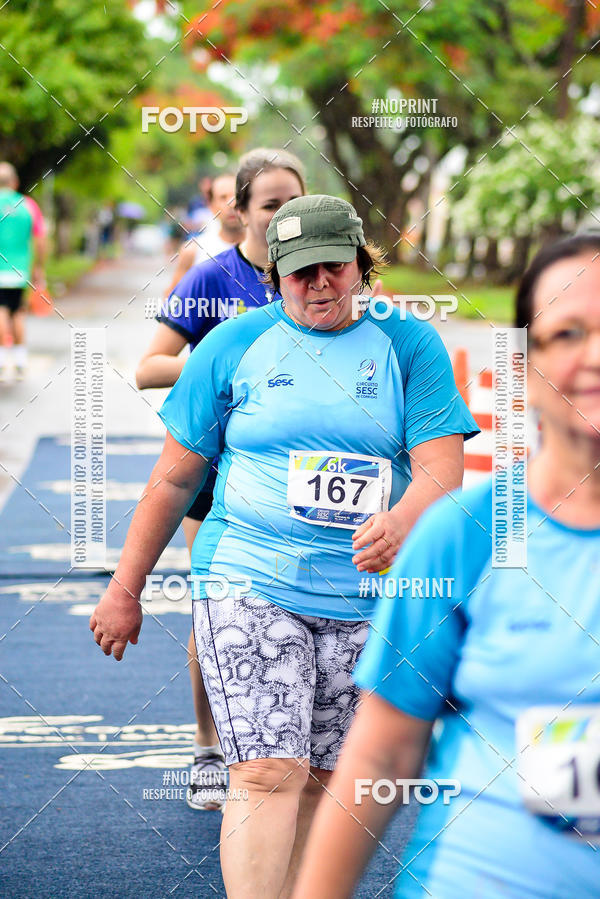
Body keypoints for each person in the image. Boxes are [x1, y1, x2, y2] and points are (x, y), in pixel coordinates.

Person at [91, 193, 479, 897]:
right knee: (269, 768)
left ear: (362, 266)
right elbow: (174, 480)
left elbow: (440, 469)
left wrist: (404, 516)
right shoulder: (233, 345)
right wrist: (125, 587)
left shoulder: (408, 344)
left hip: (363, 595)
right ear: (275, 277)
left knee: (328, 779)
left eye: (334, 267)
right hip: (248, 576)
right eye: (301, 273)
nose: (319, 284)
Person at [292, 232, 600, 899]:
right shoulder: (464, 534)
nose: (595, 355)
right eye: (569, 332)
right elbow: (381, 753)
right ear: (524, 367)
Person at [136, 148, 307, 811]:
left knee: (302, 607)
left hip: (300, 470)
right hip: (215, 469)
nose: (284, 215)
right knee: (218, 609)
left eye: (295, 201)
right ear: (238, 211)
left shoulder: (325, 276)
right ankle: (210, 747)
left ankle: (293, 745)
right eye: (270, 204)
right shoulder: (212, 278)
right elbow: (149, 367)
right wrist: (231, 361)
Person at [164, 172, 244, 298]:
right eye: (223, 197)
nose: (232, 204)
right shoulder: (193, 251)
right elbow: (172, 304)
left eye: (237, 197)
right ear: (211, 205)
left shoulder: (266, 250)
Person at [0, 162, 46, 381]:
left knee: (1, 312)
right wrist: (39, 267)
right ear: (15, 182)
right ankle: (19, 360)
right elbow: (40, 239)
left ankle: (1, 360)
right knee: (18, 312)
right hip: (20, 270)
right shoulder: (28, 205)